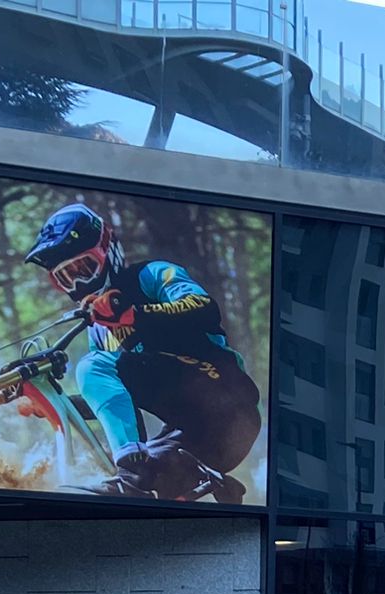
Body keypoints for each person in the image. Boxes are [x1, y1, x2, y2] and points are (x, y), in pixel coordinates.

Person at [23, 202, 262, 501]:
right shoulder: (98, 329)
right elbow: (113, 396)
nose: (80, 283)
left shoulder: (152, 274)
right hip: (206, 440)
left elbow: (205, 308)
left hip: (227, 402)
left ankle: (132, 478)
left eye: (84, 268)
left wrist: (135, 314)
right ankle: (194, 481)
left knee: (91, 367)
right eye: (66, 277)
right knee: (152, 484)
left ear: (107, 252)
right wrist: (55, 403)